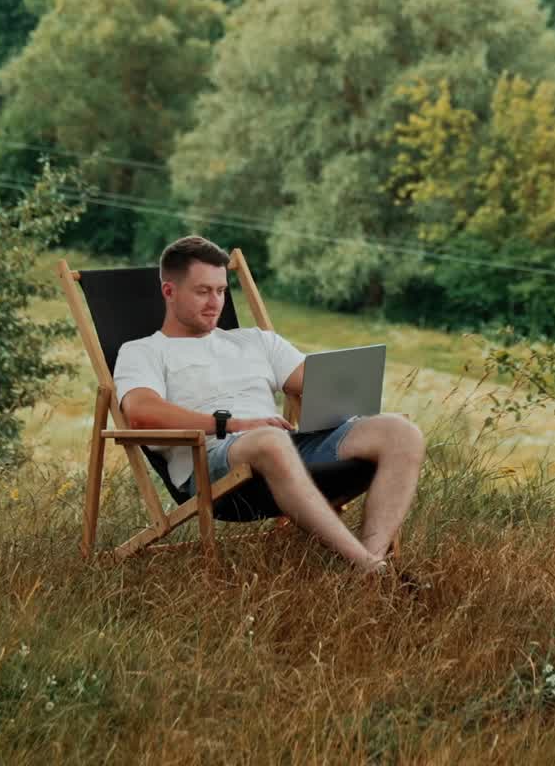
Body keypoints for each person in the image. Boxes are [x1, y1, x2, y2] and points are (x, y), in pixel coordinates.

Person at [114, 234, 424, 573]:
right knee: (270, 439)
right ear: (169, 292)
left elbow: (321, 381)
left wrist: (343, 393)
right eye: (202, 291)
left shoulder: (255, 341)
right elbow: (141, 413)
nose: (215, 302)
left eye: (220, 291)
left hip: (282, 446)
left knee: (400, 431)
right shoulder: (142, 351)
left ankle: (373, 558)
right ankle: (367, 567)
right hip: (215, 462)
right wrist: (234, 425)